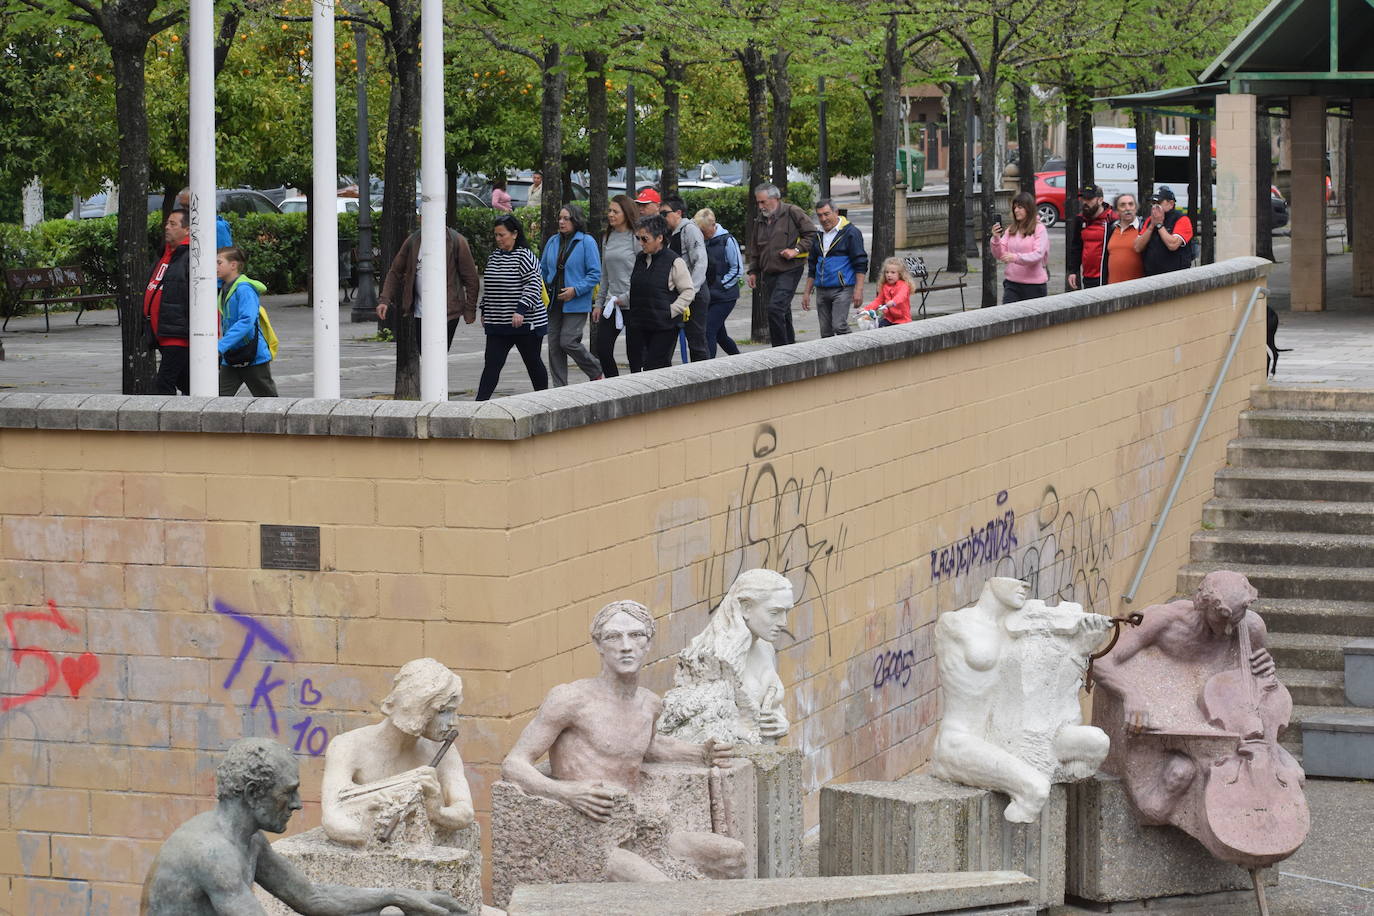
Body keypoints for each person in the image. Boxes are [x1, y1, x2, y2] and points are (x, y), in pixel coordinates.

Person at [501, 599, 748, 882]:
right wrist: (567, 792)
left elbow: (648, 747)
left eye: (635, 635)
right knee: (664, 892)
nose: (626, 645)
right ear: (598, 645)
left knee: (732, 855)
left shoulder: (649, 704)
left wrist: (700, 754)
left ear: (648, 643)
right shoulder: (570, 699)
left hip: (639, 827)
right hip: (588, 834)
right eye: (613, 636)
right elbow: (514, 764)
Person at [141, 737, 464, 915]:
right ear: (254, 794)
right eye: (287, 792)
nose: (297, 804)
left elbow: (311, 897)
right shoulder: (213, 854)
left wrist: (397, 896)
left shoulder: (248, 840)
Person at [321, 658, 473, 846]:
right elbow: (332, 817)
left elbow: (465, 811)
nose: (453, 722)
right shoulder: (347, 746)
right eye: (445, 712)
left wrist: (437, 812)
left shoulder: (443, 750)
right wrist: (364, 831)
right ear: (418, 708)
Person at [476, 213, 549, 400]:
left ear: (514, 234)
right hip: (498, 323)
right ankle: (479, 403)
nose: (498, 239)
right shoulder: (494, 257)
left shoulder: (525, 256)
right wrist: (484, 309)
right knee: (492, 364)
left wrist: (521, 310)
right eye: (496, 235)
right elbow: (489, 286)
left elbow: (533, 284)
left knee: (532, 362)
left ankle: (545, 399)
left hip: (526, 323)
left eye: (502, 235)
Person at [375, 226, 480, 350]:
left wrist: (470, 309)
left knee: (438, 352)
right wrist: (385, 299)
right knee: (425, 354)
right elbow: (395, 271)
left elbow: (471, 278)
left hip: (448, 311)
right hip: (421, 311)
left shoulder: (456, 240)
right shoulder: (414, 240)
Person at [539, 203, 603, 386]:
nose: (561, 222)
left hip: (576, 301)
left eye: (566, 218)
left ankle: (595, 369)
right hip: (554, 302)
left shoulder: (586, 242)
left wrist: (575, 290)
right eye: (560, 218)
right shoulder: (552, 241)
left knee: (567, 341)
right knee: (554, 347)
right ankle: (559, 388)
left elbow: (594, 274)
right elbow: (543, 269)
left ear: (575, 220)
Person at [746, 182, 815, 347]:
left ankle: (779, 351)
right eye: (758, 202)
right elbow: (756, 247)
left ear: (775, 198)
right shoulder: (760, 220)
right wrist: (753, 271)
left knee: (775, 309)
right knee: (782, 312)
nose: (760, 206)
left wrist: (796, 250)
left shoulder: (792, 212)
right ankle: (790, 348)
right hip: (769, 272)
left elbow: (812, 234)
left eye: (763, 202)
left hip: (790, 269)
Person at [626, 214, 695, 371]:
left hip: (663, 326)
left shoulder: (674, 261)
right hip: (639, 323)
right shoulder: (640, 259)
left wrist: (671, 311)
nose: (641, 243)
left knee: (654, 366)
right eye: (638, 238)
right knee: (636, 368)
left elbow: (688, 291)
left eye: (645, 239)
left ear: (659, 238)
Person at [215, 246, 277, 397]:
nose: (215, 267)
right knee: (217, 400)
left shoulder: (244, 289)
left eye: (219, 262)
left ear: (233, 265)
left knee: (269, 403)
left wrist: (220, 345)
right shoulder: (225, 289)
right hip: (231, 356)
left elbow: (246, 321)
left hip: (253, 356)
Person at [801, 198, 868, 336]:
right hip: (822, 289)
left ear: (836, 212)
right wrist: (807, 292)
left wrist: (858, 290)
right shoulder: (818, 235)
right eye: (819, 215)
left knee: (839, 325)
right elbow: (812, 266)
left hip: (842, 288)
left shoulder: (850, 232)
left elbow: (860, 263)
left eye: (827, 214)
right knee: (825, 332)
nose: (823, 218)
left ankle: (854, 350)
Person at [143, 208, 192, 395]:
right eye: (167, 223)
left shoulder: (189, 257)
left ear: (187, 230)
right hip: (162, 333)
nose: (167, 228)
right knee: (186, 382)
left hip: (177, 334)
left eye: (173, 224)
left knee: (163, 383)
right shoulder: (165, 254)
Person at [592, 194, 641, 376]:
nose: (611, 214)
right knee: (603, 350)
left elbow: (641, 273)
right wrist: (599, 303)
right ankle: (614, 386)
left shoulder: (636, 238)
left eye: (615, 211)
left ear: (626, 213)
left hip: (633, 303)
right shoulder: (608, 237)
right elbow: (605, 273)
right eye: (609, 211)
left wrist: (626, 297)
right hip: (612, 303)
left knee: (634, 354)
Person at [660, 196, 709, 362]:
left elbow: (701, 262)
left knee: (696, 342)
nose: (662, 218)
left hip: (694, 293)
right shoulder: (670, 233)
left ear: (678, 213)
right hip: (679, 294)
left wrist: (691, 292)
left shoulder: (689, 230)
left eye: (665, 213)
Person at [694, 208, 742, 358]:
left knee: (708, 330)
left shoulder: (727, 240)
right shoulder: (703, 241)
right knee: (720, 335)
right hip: (710, 296)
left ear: (712, 225)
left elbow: (737, 268)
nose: (701, 234)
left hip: (725, 296)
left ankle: (709, 365)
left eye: (703, 230)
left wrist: (720, 284)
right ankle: (739, 359)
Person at [989, 191, 1050, 303]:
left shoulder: (1039, 229)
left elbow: (1038, 254)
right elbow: (1000, 254)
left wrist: (1015, 258)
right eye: (1015, 207)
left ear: (1029, 209)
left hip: (1034, 286)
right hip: (1012, 284)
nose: (1016, 210)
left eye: (1020, 207)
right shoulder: (1011, 229)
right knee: (1009, 316)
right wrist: (996, 238)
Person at [1066, 183, 1114, 290]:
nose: (1085, 202)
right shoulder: (1080, 219)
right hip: (1087, 275)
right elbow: (1076, 247)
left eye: (1089, 199)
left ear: (1100, 200)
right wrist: (1073, 271)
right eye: (1083, 199)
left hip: (1105, 275)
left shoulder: (1111, 219)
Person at [1139, 186, 1194, 276]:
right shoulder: (1150, 220)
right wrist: (1151, 226)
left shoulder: (1182, 219)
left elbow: (1173, 245)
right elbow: (1138, 247)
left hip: (1175, 276)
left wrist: (1160, 225)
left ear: (1171, 204)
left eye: (1159, 203)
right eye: (1153, 203)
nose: (1155, 206)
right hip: (1151, 275)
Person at [1100, 193, 1145, 285]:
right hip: (1112, 289)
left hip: (1137, 289)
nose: (1127, 208)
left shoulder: (1144, 228)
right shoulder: (1110, 229)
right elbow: (1104, 261)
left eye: (1131, 204)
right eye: (1123, 205)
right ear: (1116, 211)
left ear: (1136, 208)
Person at [859, 257, 913, 327]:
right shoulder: (885, 286)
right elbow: (878, 301)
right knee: (878, 327)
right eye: (887, 272)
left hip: (902, 319)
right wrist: (866, 309)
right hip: (889, 318)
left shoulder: (904, 285)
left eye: (893, 272)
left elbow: (901, 296)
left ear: (900, 274)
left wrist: (894, 302)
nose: (889, 275)